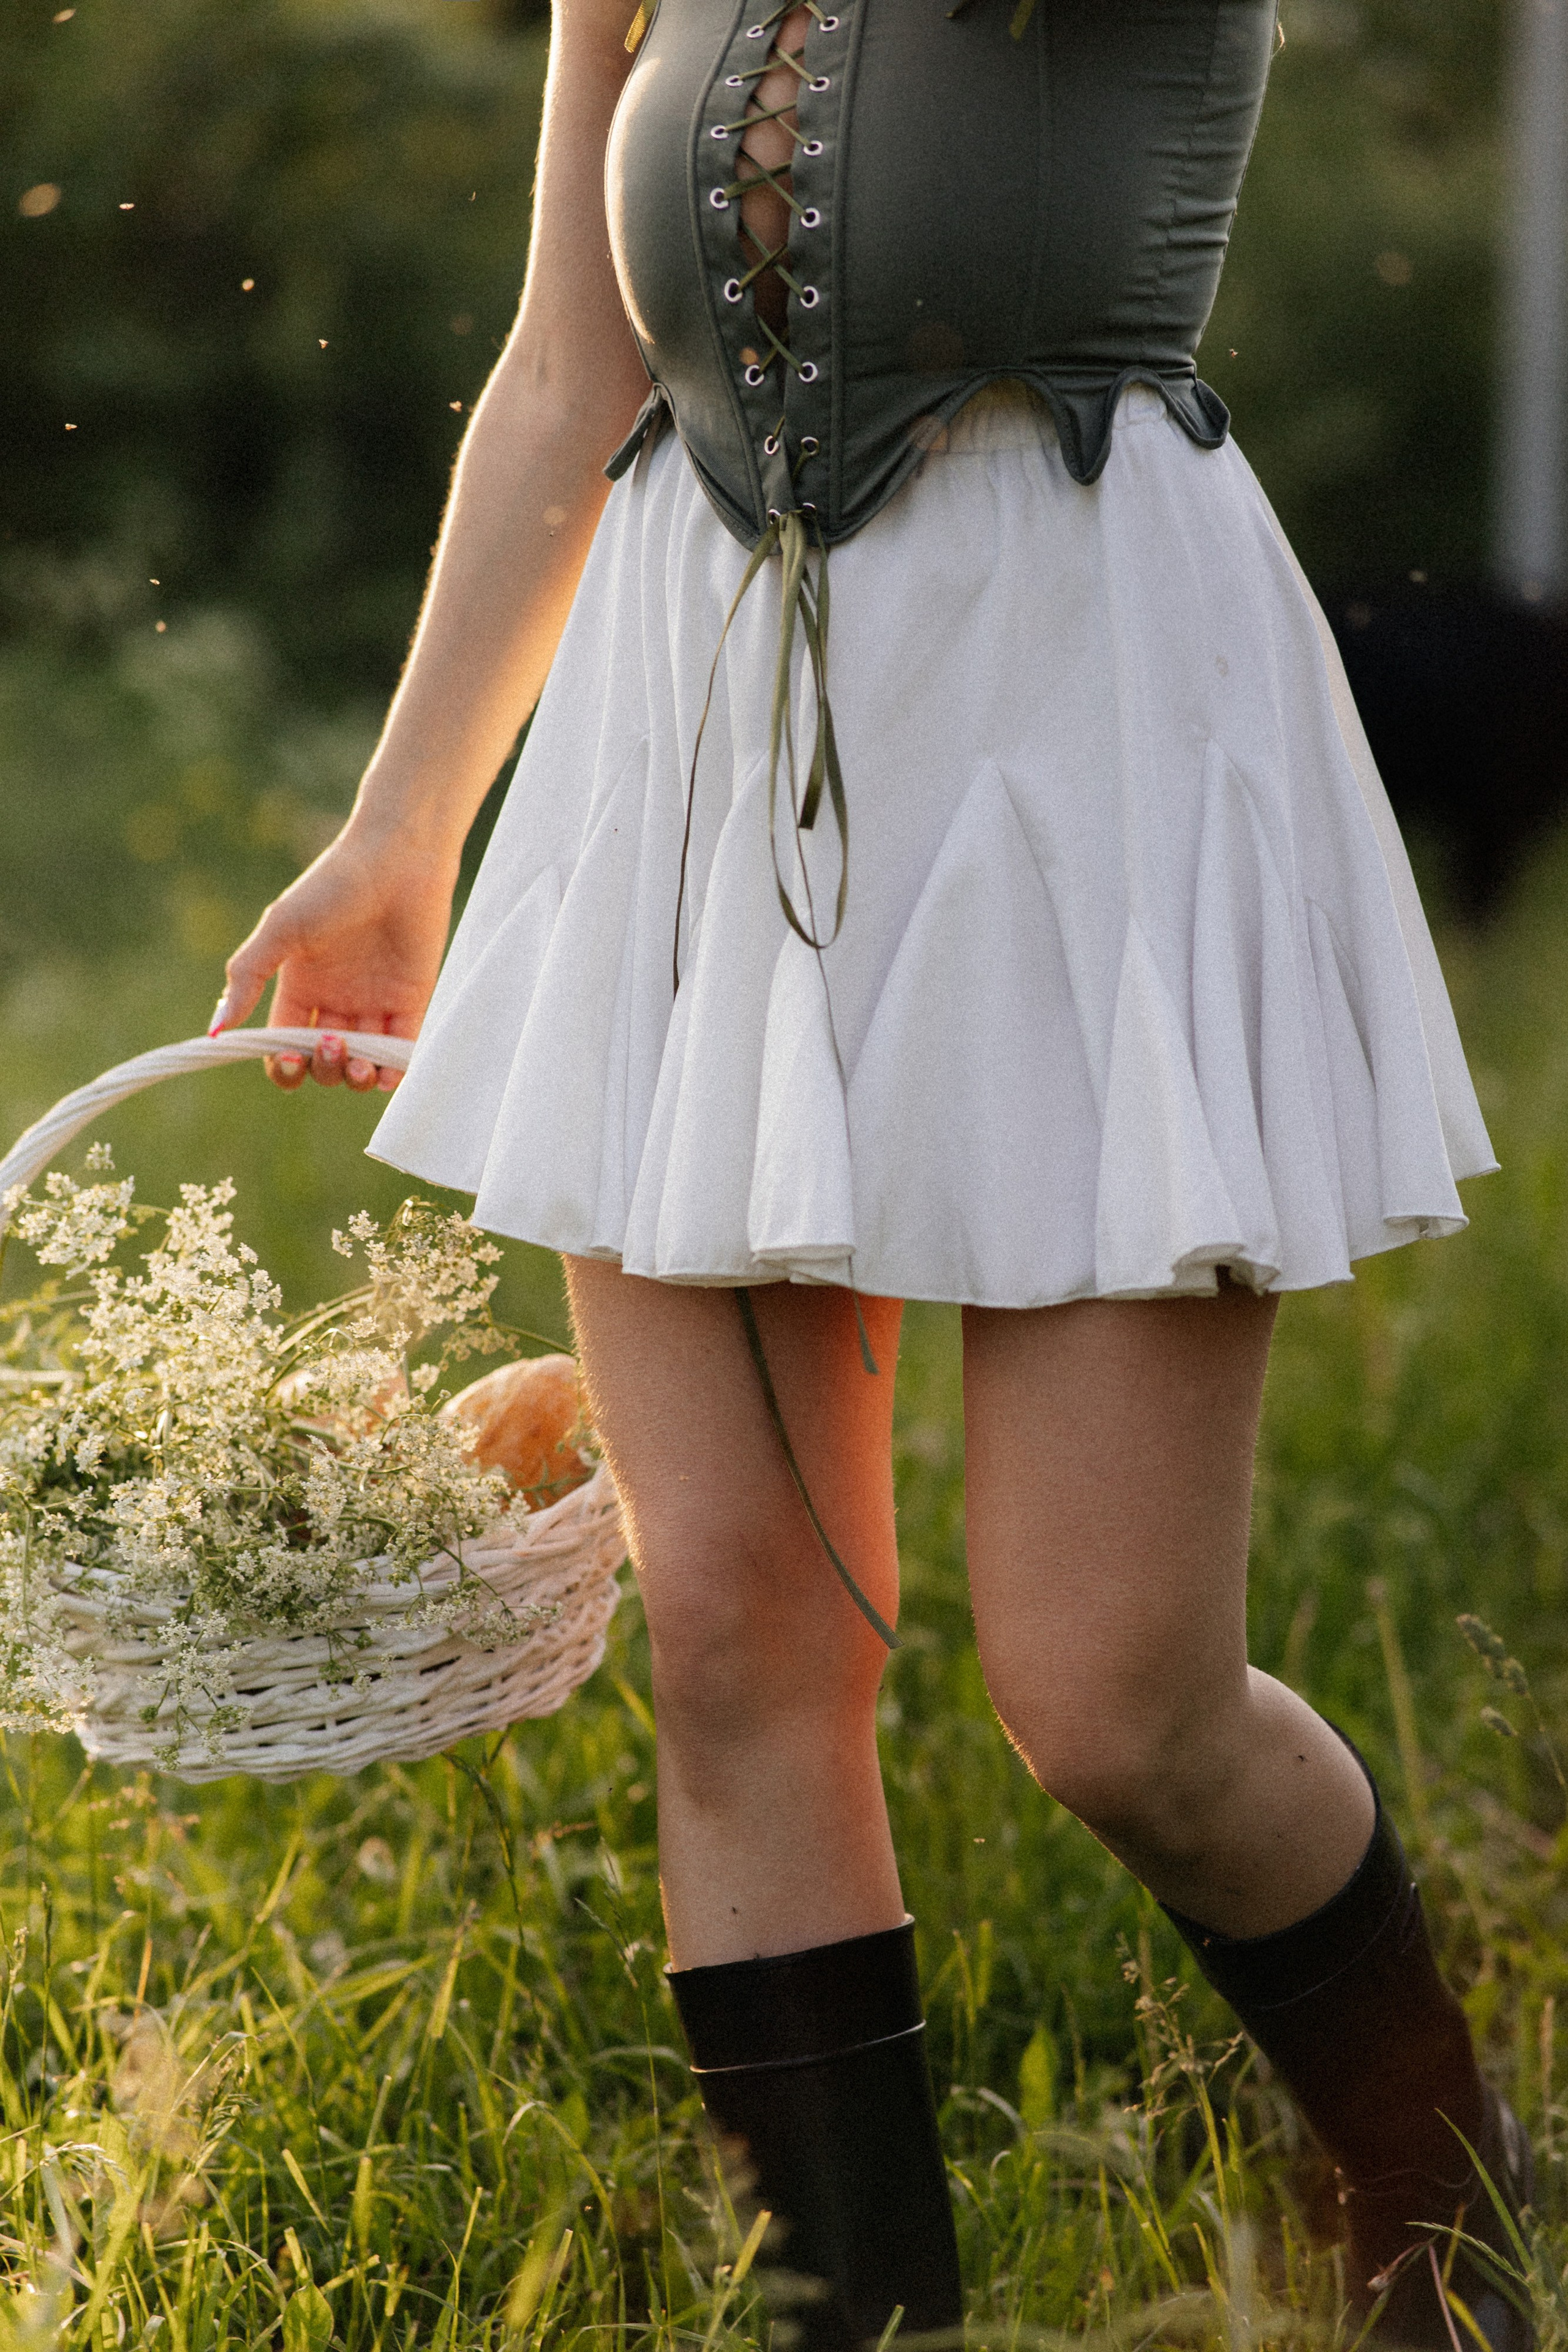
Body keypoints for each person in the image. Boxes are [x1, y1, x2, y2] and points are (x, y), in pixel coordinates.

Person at [212, 2, 1534, 2344]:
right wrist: (400, 829)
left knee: (1118, 1695)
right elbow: (565, 363)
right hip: (693, 729)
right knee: (737, 1635)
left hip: (1078, 700)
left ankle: (1463, 2228)